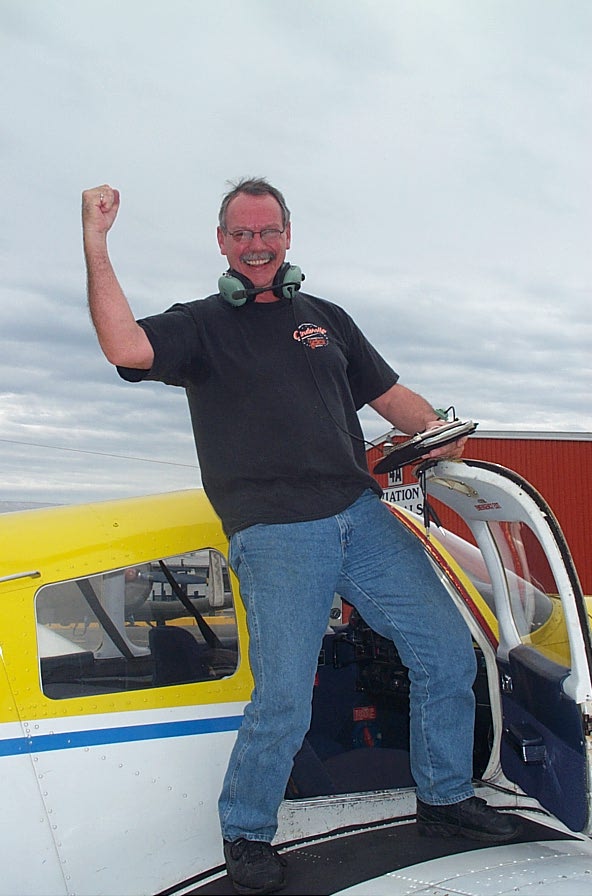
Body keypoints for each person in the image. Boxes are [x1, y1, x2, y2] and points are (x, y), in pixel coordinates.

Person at [82, 178, 520, 895]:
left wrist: (441, 431)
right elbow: (123, 346)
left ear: (288, 235)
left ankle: (445, 799)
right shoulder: (197, 326)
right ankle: (247, 830)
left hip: (361, 514)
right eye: (242, 234)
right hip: (278, 535)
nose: (256, 246)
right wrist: (97, 240)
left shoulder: (327, 319)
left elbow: (391, 395)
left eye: (268, 232)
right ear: (222, 242)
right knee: (284, 695)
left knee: (446, 653)